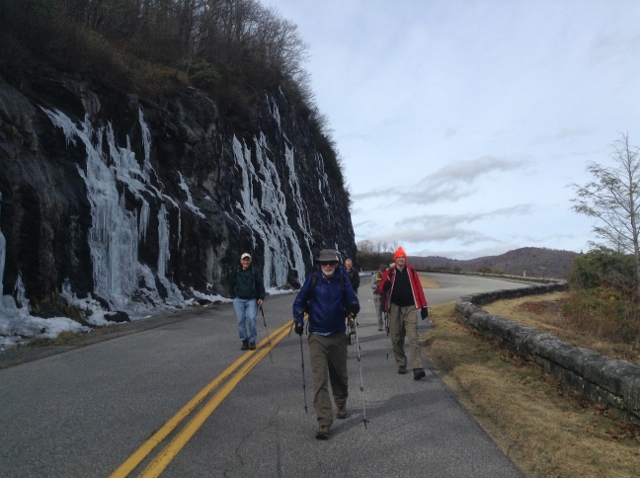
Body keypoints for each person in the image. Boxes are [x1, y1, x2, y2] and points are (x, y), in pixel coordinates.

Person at [293, 249, 360, 439]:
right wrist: (298, 320)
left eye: (331, 263)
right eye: (324, 263)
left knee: (340, 376)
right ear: (320, 265)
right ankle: (324, 422)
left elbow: (352, 299)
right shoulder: (313, 279)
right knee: (320, 379)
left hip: (338, 335)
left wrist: (354, 307)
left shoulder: (342, 279)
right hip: (317, 336)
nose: (328, 266)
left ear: (337, 264)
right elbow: (299, 303)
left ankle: (341, 402)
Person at [378, 246, 429, 380]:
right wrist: (386, 284)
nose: (401, 259)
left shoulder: (411, 271)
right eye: (399, 257)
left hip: (410, 308)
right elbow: (381, 290)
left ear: (405, 259)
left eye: (403, 257)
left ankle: (418, 368)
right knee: (396, 338)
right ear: (395, 259)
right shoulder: (389, 273)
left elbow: (418, 289)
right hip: (395, 308)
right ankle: (401, 363)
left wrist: (424, 306)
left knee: (413, 337)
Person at [228, 252, 265, 351]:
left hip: (252, 299)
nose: (246, 262)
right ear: (241, 261)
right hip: (238, 300)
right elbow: (231, 284)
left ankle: (252, 340)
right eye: (244, 260)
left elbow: (260, 285)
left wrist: (261, 297)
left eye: (247, 260)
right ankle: (244, 341)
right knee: (240, 321)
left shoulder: (255, 271)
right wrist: (233, 296)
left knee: (252, 319)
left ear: (250, 261)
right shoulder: (236, 271)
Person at [371, 263, 387, 331]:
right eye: (381, 271)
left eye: (384, 271)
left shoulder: (386, 275)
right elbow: (372, 285)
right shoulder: (375, 276)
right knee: (378, 311)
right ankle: (380, 325)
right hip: (377, 295)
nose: (382, 273)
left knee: (387, 309)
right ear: (379, 270)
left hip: (385, 294)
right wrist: (378, 285)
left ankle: (387, 323)